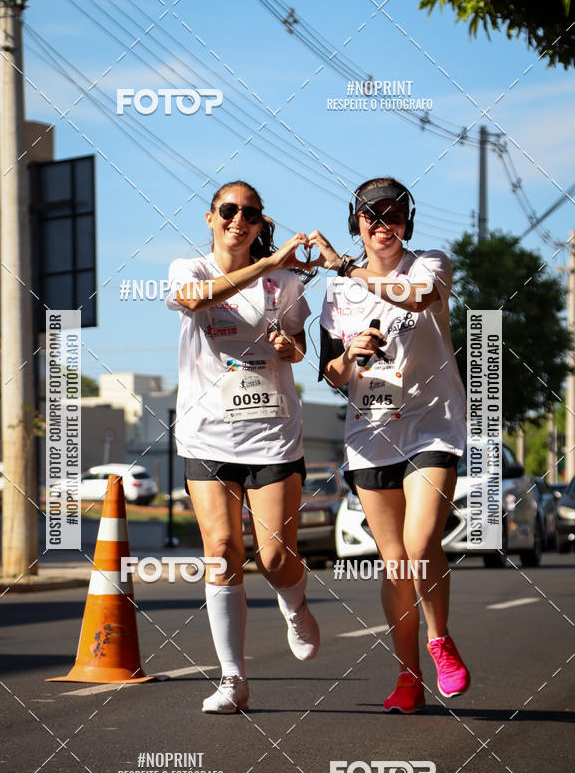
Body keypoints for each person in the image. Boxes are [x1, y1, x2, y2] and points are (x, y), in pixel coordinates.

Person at [311, 176, 469, 714]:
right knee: (396, 561)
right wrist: (350, 353)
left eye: (393, 216)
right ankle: (408, 677)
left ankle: (439, 639)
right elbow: (329, 374)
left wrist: (345, 268)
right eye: (371, 217)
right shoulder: (337, 292)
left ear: (408, 221)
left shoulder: (430, 264)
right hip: (371, 432)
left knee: (422, 542)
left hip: (432, 425)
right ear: (355, 222)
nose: (383, 227)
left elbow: (418, 298)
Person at [166, 180, 320, 714]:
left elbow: (300, 348)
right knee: (222, 552)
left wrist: (289, 345)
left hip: (272, 434)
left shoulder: (285, 283)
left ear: (259, 222)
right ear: (211, 217)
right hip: (206, 433)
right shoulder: (189, 269)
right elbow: (198, 300)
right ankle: (233, 680)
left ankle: (294, 601)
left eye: (249, 213)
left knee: (275, 555)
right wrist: (269, 260)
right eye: (228, 211)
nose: (238, 220)